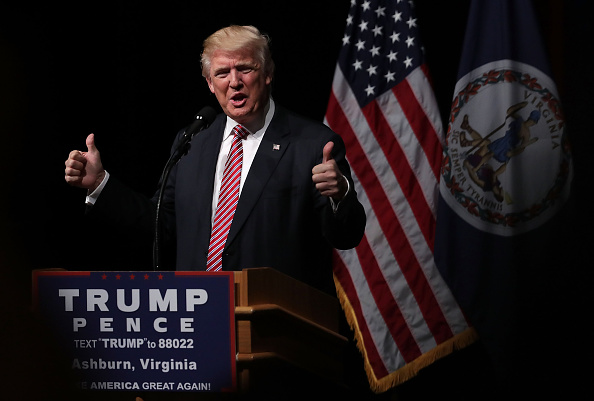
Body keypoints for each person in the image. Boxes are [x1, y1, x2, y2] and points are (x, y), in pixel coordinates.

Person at [64, 25, 366, 294]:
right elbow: (160, 226)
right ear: (210, 83)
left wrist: (340, 195)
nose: (234, 82)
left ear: (268, 73)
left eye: (245, 69)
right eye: (222, 73)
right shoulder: (192, 142)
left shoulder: (312, 144)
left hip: (277, 324)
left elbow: (346, 235)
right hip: (198, 318)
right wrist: (101, 185)